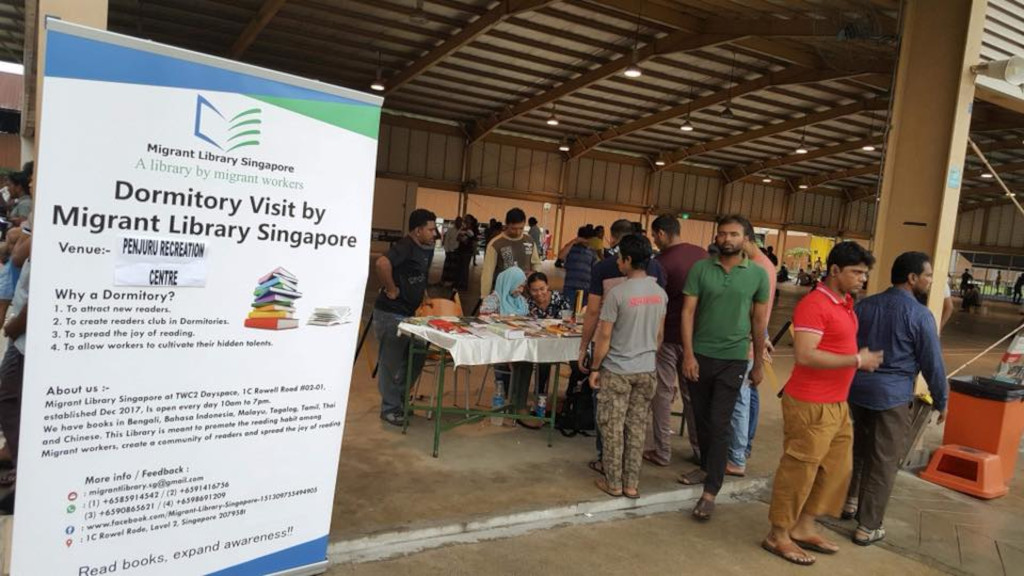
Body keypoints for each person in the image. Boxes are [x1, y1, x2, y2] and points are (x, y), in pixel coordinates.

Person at [762, 241, 883, 567]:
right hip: (809, 403)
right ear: (834, 271)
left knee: (836, 470)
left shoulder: (845, 303)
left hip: (837, 403)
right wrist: (857, 360)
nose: (862, 279)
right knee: (799, 470)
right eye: (856, 272)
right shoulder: (814, 304)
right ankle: (778, 533)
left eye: (864, 273)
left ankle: (803, 526)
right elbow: (806, 354)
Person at [843, 252, 948, 546]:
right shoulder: (919, 315)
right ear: (913, 278)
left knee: (859, 449)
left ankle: (849, 502)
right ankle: (868, 526)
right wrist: (942, 399)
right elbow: (932, 363)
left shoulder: (864, 306)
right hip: (892, 396)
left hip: (857, 390)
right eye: (927, 275)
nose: (930, 280)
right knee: (884, 461)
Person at [678, 215, 769, 521]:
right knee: (701, 418)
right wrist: (688, 354)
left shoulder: (757, 275)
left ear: (746, 239)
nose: (726, 238)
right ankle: (705, 466)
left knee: (719, 422)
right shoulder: (701, 269)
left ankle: (710, 490)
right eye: (722, 234)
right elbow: (688, 313)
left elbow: (758, 322)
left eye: (733, 234)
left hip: (734, 359)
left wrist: (757, 363)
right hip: (701, 355)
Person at [579, 220, 665, 476]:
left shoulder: (617, 294)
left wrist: (595, 366)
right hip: (646, 368)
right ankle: (631, 483)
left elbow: (604, 334)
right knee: (637, 426)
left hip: (617, 367)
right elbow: (659, 335)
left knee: (612, 426)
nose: (616, 262)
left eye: (619, 258)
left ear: (627, 260)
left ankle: (612, 480)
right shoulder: (660, 293)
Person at [642, 214, 707, 467]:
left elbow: (653, 301)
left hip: (667, 336)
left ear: (660, 233)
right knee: (693, 395)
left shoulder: (659, 263)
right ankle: (700, 448)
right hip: (696, 338)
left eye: (654, 236)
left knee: (663, 393)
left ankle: (662, 450)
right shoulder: (702, 256)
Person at [372, 209, 437, 427]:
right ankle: (389, 409)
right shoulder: (404, 246)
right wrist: (391, 289)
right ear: (418, 230)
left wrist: (423, 295)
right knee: (391, 363)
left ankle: (398, 402)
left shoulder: (423, 248)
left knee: (418, 354)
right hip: (391, 314)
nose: (434, 232)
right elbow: (382, 264)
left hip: (410, 316)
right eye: (430, 229)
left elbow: (417, 277)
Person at [727, 230, 777, 477]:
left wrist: (761, 341)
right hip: (751, 341)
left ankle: (737, 454)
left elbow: (756, 312)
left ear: (746, 239)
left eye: (733, 237)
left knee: (740, 399)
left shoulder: (758, 268)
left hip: (746, 344)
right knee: (748, 396)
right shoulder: (759, 265)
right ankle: (743, 447)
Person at [481, 267, 543, 428]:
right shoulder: (493, 299)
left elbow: (529, 320)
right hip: (499, 346)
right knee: (519, 363)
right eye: (519, 286)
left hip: (519, 345)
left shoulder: (520, 301)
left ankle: (518, 405)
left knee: (527, 361)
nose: (521, 290)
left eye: (523, 287)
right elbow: (483, 321)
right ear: (508, 283)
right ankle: (513, 405)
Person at [525, 271, 571, 397]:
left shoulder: (560, 300)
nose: (539, 293)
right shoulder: (528, 304)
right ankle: (538, 394)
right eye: (534, 290)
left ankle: (570, 395)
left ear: (548, 286)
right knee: (541, 359)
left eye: (542, 289)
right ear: (529, 290)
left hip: (560, 342)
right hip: (538, 344)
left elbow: (567, 322)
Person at [480, 208, 542, 298]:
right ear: (507, 224)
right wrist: (484, 296)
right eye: (514, 228)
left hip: (525, 293)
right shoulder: (496, 243)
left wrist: (535, 272)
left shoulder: (529, 241)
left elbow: (536, 263)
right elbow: (487, 272)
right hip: (503, 293)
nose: (518, 232)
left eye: (521, 228)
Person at [558, 226, 599, 312]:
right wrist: (574, 241)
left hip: (586, 287)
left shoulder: (591, 251)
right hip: (571, 286)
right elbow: (561, 256)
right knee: (568, 310)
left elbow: (595, 267)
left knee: (582, 312)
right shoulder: (571, 248)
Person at [454, 215, 478, 292]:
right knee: (460, 268)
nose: (465, 220)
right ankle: (458, 283)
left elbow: (466, 240)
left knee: (464, 268)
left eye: (467, 219)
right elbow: (458, 238)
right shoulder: (464, 228)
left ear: (471, 220)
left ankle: (463, 285)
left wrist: (462, 237)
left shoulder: (473, 230)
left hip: (467, 251)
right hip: (461, 250)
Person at [441, 216, 463, 286]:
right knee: (448, 267)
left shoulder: (462, 230)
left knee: (454, 268)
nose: (459, 223)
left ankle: (452, 281)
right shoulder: (450, 230)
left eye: (460, 221)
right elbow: (446, 240)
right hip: (450, 250)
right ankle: (445, 281)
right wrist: (446, 250)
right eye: (458, 221)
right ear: (455, 222)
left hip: (457, 251)